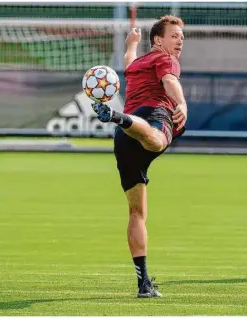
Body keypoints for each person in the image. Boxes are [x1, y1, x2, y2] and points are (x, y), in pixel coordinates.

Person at [92, 15, 187, 298]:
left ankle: (143, 283)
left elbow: (128, 63)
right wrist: (181, 102)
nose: (179, 41)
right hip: (151, 116)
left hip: (126, 135)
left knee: (136, 213)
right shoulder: (166, 60)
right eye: (174, 36)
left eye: (182, 38)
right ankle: (119, 117)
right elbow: (169, 80)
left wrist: (131, 44)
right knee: (157, 142)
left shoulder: (138, 64)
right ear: (158, 40)